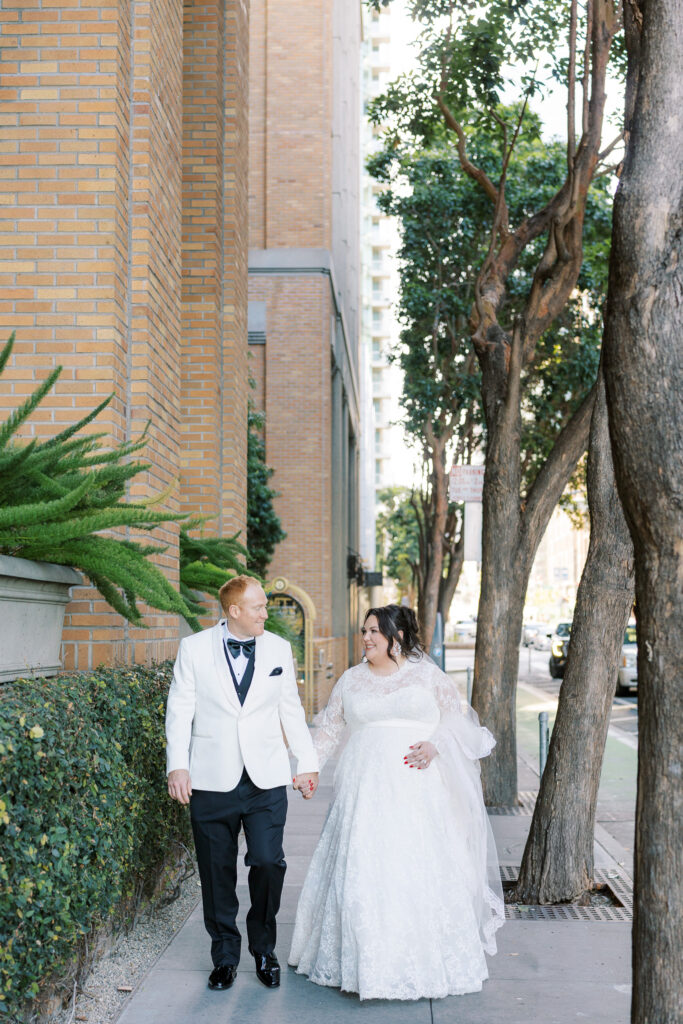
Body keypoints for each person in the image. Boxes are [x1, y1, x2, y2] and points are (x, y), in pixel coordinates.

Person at [289, 603, 504, 1001]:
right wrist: (309, 769)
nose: (366, 638)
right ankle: (365, 961)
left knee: (415, 868)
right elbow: (329, 730)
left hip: (417, 792)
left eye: (374, 631)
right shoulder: (351, 681)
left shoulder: (427, 676)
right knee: (364, 869)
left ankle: (423, 960)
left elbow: (457, 719)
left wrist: (435, 744)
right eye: (364, 631)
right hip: (363, 792)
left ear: (397, 637)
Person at [165, 575, 319, 992]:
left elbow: (291, 709)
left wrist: (306, 762)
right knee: (216, 872)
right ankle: (225, 956)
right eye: (258, 607)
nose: (265, 614)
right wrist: (177, 766)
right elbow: (179, 711)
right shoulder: (193, 649)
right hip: (211, 779)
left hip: (265, 778)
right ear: (234, 611)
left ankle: (264, 950)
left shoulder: (279, 649)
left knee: (268, 862)